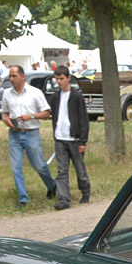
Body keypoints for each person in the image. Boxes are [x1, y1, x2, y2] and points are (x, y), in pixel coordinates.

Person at [0, 65, 57, 207]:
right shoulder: (7, 93)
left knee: (39, 165)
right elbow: (4, 113)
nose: (11, 79)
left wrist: (31, 116)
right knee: (16, 167)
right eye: (10, 76)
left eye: (14, 76)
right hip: (15, 134)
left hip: (31, 133)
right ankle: (23, 198)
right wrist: (6, 120)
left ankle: (52, 185)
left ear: (22, 76)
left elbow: (46, 113)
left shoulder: (35, 93)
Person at [47, 65, 90, 210]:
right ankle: (64, 199)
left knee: (80, 169)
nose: (59, 82)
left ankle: (85, 191)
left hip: (75, 139)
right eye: (57, 79)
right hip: (60, 138)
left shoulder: (76, 96)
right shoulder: (55, 97)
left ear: (68, 78)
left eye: (62, 79)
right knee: (62, 170)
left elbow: (83, 119)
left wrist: (83, 140)